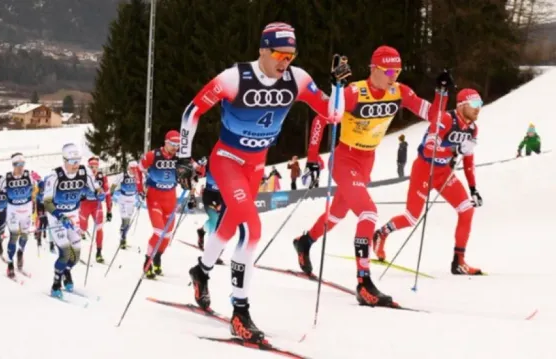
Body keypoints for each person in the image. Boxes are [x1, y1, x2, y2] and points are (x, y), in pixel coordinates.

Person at [178, 22, 348, 343]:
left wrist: (338, 87)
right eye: (279, 54)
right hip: (227, 160)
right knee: (251, 230)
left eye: (290, 54)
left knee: (229, 226)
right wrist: (185, 157)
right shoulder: (235, 77)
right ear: (262, 50)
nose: (284, 61)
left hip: (256, 166)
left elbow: (333, 115)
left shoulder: (297, 80)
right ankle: (240, 311)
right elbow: (193, 110)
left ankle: (201, 271)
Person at [293, 45, 437, 309]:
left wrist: (441, 93)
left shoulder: (399, 91)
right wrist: (313, 158)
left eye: (398, 70)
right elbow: (320, 119)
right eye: (389, 70)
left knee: (336, 214)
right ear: (374, 69)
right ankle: (364, 282)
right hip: (345, 158)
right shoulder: (354, 92)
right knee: (368, 213)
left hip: (367, 160)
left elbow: (433, 116)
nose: (394, 76)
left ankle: (305, 241)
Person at [374, 86, 484, 275]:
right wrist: (455, 150)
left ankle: (458, 261)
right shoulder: (445, 119)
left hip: (444, 174)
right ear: (461, 105)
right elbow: (428, 149)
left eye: (480, 104)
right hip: (424, 171)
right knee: (410, 218)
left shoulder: (472, 129)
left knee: (466, 210)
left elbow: (468, 159)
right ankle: (381, 233)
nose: (478, 108)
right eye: (474, 104)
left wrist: (473, 188)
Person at [43, 143, 104, 298]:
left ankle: (66, 271)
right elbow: (47, 203)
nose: (76, 165)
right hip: (57, 216)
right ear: (65, 160)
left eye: (78, 161)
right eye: (72, 161)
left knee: (75, 256)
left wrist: (99, 193)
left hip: (73, 214)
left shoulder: (84, 172)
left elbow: (95, 186)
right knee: (64, 252)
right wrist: (60, 216)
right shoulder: (55, 176)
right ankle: (56, 284)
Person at [135, 130, 184, 279]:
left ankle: (157, 258)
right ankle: (147, 261)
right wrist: (140, 188)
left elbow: (196, 171)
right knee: (158, 231)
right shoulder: (153, 155)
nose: (175, 147)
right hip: (155, 196)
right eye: (172, 144)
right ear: (166, 142)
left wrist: (198, 169)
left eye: (178, 144)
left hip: (171, 198)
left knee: (167, 235)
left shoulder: (181, 157)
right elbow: (139, 169)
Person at [0, 153, 37, 278]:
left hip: (27, 210)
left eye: (22, 164)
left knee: (25, 235)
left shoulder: (29, 176)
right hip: (13, 210)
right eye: (18, 165)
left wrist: (36, 195)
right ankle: (10, 265)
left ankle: (20, 253)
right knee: (13, 236)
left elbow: (35, 190)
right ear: (13, 165)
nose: (20, 167)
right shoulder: (6, 178)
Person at [79, 156, 112, 263]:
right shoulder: (83, 176)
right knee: (82, 228)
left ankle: (98, 252)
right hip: (85, 205)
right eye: (91, 167)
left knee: (99, 227)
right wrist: (81, 195)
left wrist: (109, 210)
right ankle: (75, 249)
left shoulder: (102, 177)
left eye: (96, 167)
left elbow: (107, 194)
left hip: (96, 205)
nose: (94, 169)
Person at [195, 158, 225, 265]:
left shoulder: (231, 164)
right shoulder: (210, 162)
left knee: (222, 223)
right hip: (209, 195)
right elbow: (198, 172)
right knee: (214, 222)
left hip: (222, 196)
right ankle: (213, 253)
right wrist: (200, 166)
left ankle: (202, 230)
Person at [109, 161, 139, 250]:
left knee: (128, 221)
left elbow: (143, 185)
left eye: (135, 169)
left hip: (132, 199)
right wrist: (111, 193)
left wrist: (143, 193)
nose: (133, 171)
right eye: (132, 169)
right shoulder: (122, 175)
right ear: (128, 168)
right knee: (124, 219)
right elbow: (114, 184)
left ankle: (123, 234)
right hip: (123, 199)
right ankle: (123, 238)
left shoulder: (138, 175)